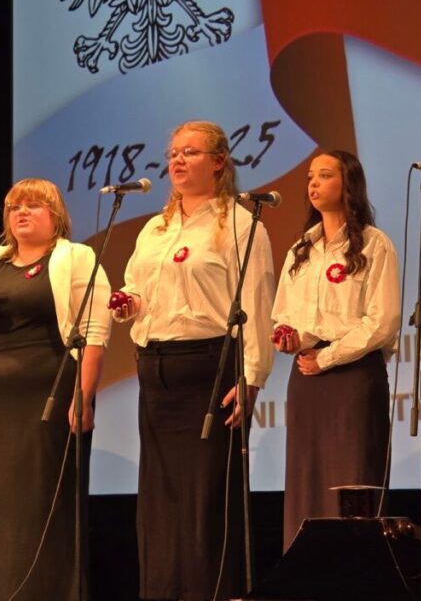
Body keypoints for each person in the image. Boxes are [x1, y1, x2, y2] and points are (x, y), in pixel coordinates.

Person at [112, 120, 275, 601]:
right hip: (156, 372)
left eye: (191, 152)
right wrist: (128, 302)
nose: (178, 160)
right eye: (174, 153)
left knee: (206, 501)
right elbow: (138, 288)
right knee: (160, 502)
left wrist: (252, 377)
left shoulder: (241, 224)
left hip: (210, 370)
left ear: (219, 162)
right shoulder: (155, 228)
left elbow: (257, 304)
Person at [0, 177, 110, 601]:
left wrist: (83, 395)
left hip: (50, 398)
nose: (21, 212)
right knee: (1, 511)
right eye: (14, 206)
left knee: (43, 505)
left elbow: (95, 333)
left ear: (55, 215)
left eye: (33, 205)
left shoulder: (76, 257)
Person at [271, 150, 400, 549]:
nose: (313, 183)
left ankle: (356, 572)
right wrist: (289, 337)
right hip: (306, 377)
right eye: (310, 176)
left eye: (325, 175)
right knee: (306, 478)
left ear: (349, 185)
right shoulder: (301, 249)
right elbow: (282, 314)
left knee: (351, 478)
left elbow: (382, 322)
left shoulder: (374, 245)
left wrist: (326, 357)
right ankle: (308, 572)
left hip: (353, 376)